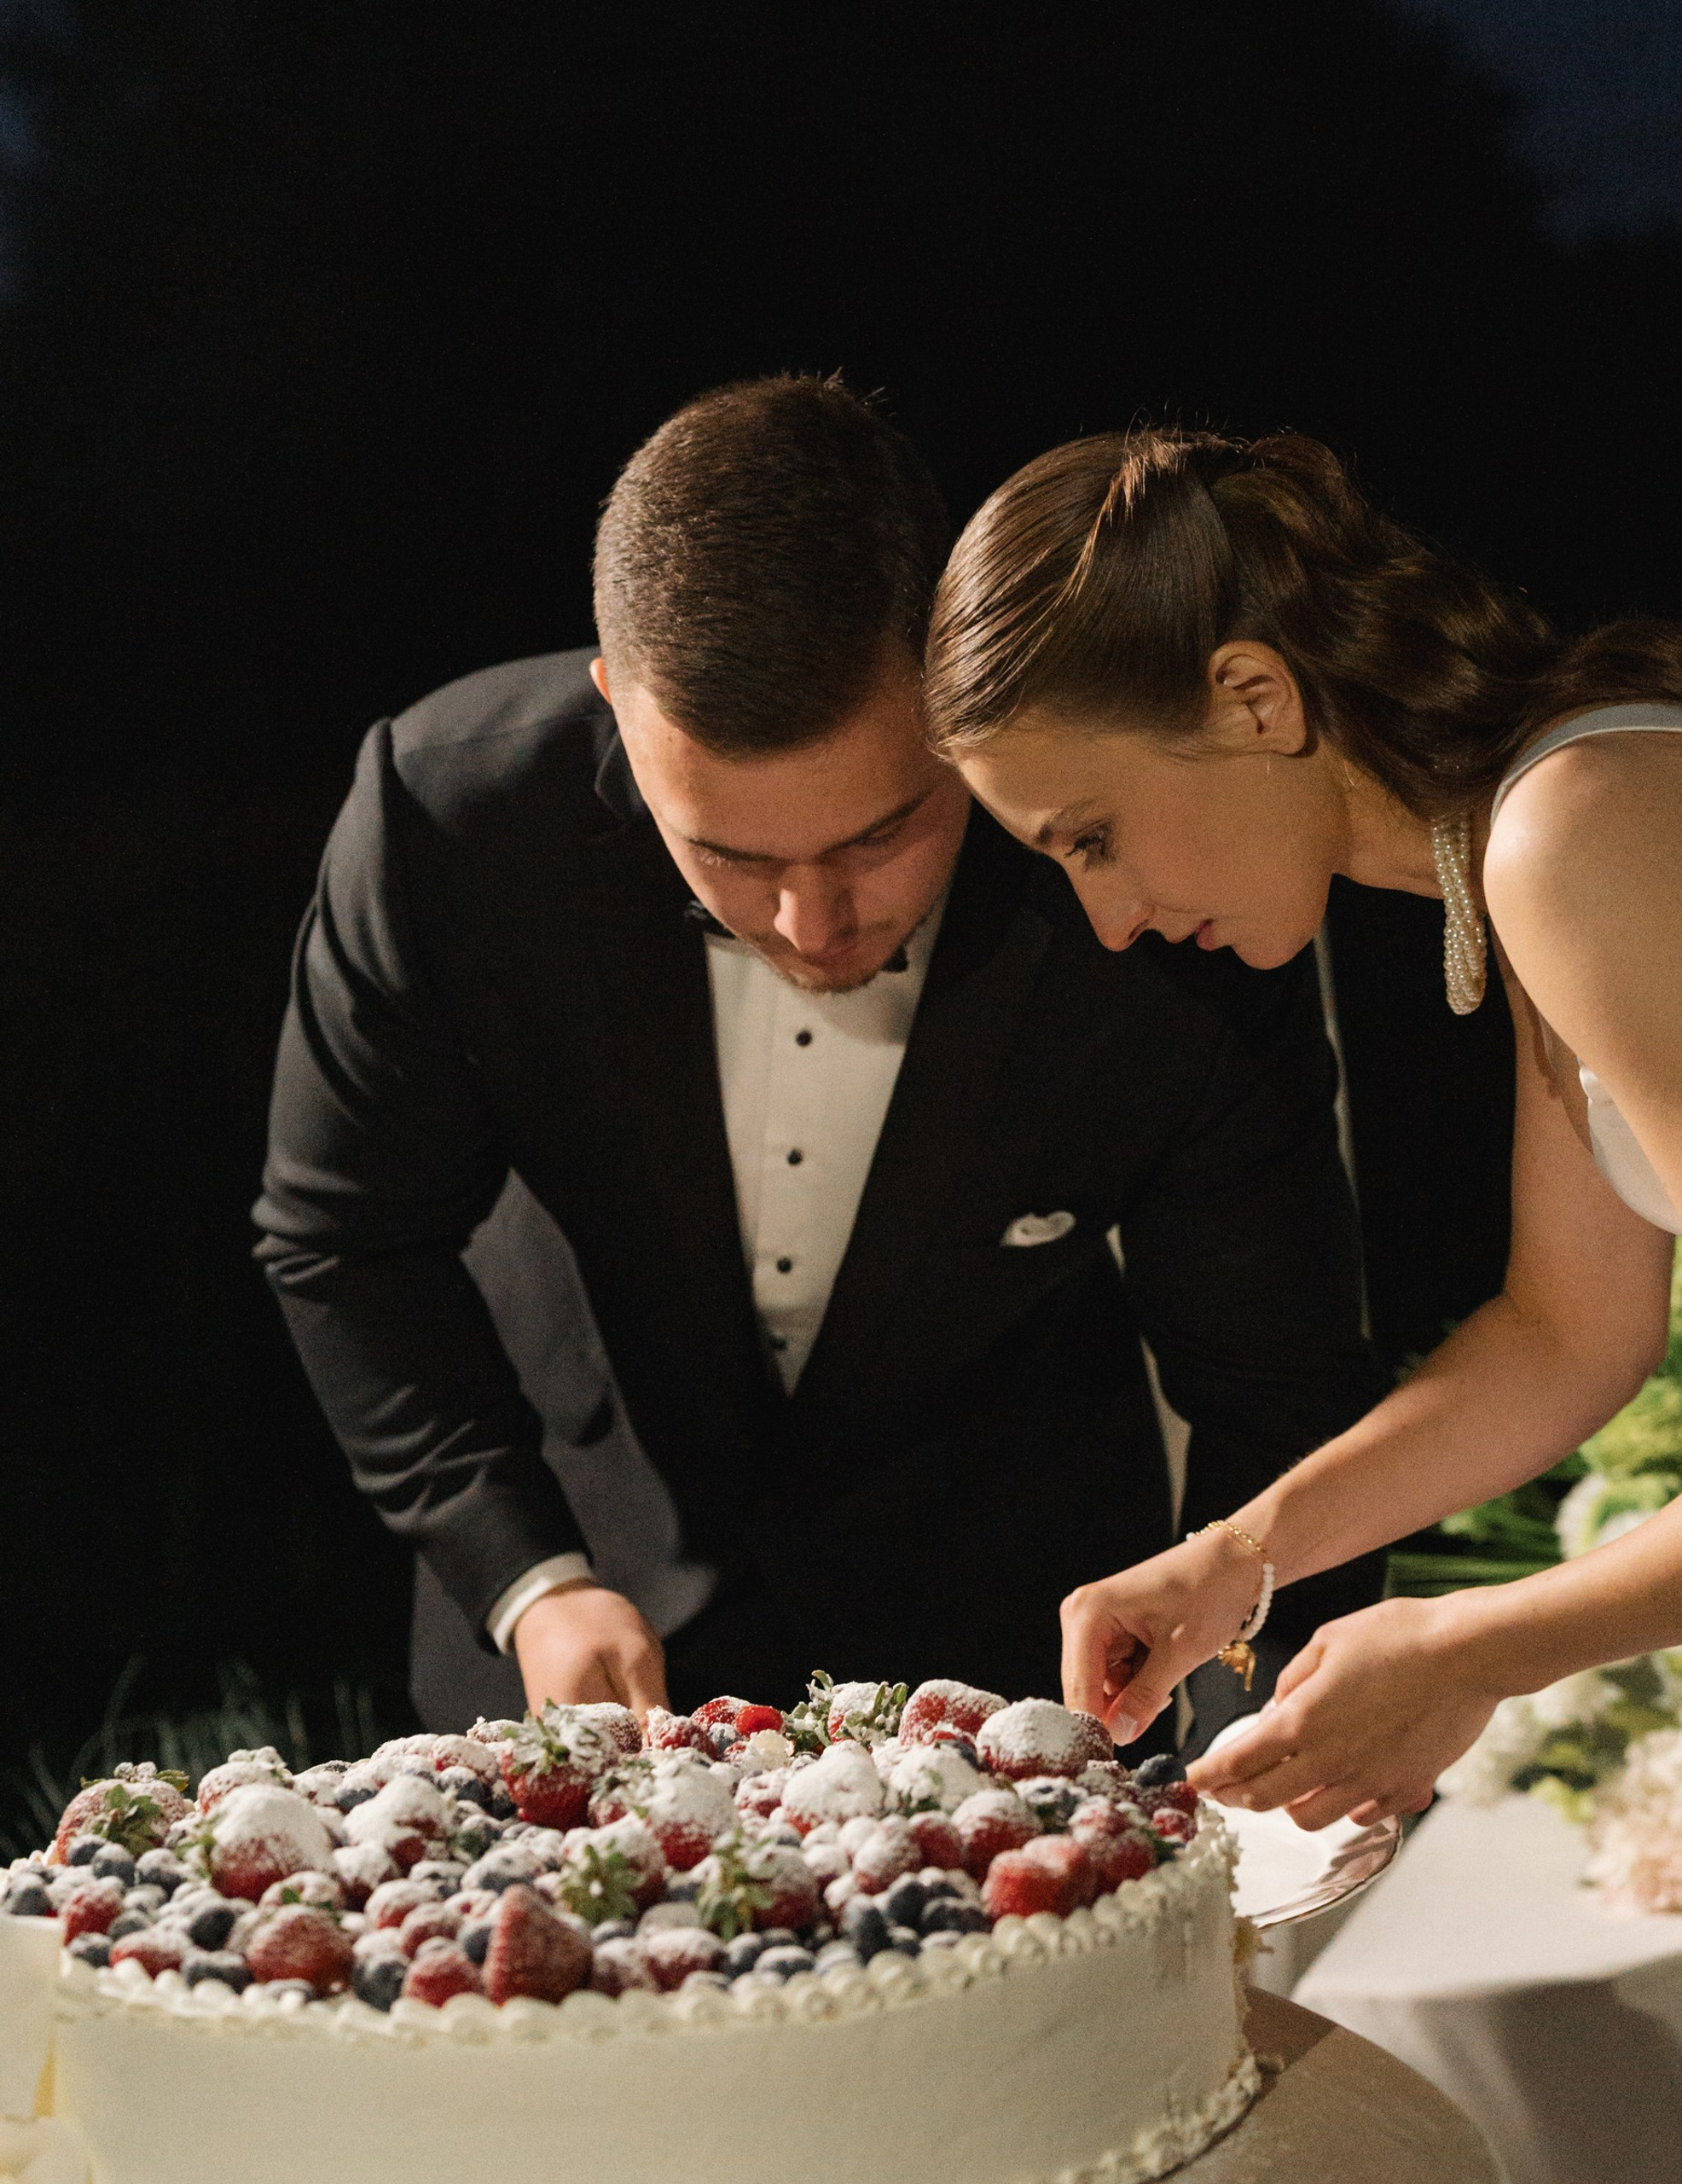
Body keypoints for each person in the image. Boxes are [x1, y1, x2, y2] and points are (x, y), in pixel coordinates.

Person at [920, 426, 1682, 2181]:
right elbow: (1564, 1333)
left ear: (1252, 696)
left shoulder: (1581, 831)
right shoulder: (1533, 829)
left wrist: (1471, 1649)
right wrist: (1239, 1554)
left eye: (1093, 834)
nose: (1112, 917)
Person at [252, 380, 1383, 1734]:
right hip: (573, 1655)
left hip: (1027, 1668)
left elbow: (1278, 1384)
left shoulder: (1149, 883)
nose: (813, 923)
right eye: (729, 855)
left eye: (875, 835)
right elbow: (345, 1241)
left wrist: (1256, 1747)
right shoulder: (450, 824)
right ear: (620, 708)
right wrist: (530, 1579)